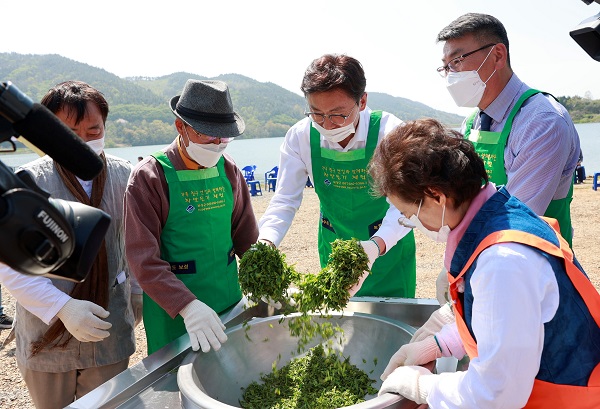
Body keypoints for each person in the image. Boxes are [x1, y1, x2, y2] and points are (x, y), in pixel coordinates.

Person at [369, 118, 600, 408]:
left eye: (408, 214)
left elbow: (496, 394)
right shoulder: (499, 212)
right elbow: (505, 323)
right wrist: (438, 345)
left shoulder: (502, 262)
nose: (411, 222)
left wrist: (423, 386)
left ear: (436, 197)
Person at [0, 81, 141, 409]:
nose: (83, 140)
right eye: (69, 131)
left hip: (110, 325)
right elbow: (8, 265)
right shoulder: (28, 181)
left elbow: (138, 243)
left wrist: (137, 296)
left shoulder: (126, 176)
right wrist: (62, 307)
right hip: (45, 328)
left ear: (105, 125)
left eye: (94, 130)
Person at [258, 54, 416, 298]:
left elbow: (406, 207)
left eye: (337, 114)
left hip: (387, 245)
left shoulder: (390, 133)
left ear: (362, 101)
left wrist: (375, 247)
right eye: (316, 114)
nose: (327, 125)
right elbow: (285, 199)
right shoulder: (300, 137)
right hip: (335, 245)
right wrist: (266, 243)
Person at [123, 79, 258, 355]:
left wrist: (269, 278)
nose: (218, 144)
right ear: (180, 127)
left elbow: (247, 237)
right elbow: (143, 260)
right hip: (176, 313)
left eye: (225, 136)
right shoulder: (149, 177)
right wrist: (188, 307)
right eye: (209, 135)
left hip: (228, 301)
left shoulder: (229, 168)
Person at [436, 13, 580, 246]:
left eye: (457, 60)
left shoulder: (542, 122)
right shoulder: (472, 123)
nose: (451, 74)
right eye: (445, 67)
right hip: (483, 255)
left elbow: (514, 219)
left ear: (498, 55)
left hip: (535, 266)